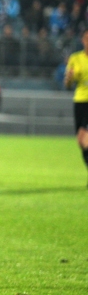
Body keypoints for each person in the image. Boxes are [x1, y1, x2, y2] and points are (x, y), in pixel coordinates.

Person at [64, 28, 88, 185]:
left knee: (84, 138)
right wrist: (69, 78)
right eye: (86, 38)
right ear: (82, 40)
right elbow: (67, 85)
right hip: (79, 100)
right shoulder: (75, 58)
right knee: (80, 141)